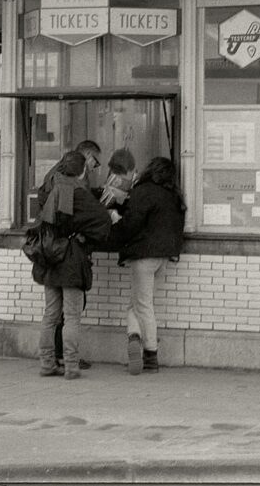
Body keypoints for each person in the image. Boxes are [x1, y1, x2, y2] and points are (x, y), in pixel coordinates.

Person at [33, 150, 111, 380]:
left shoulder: (49, 187)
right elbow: (102, 219)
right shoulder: (78, 193)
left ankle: (47, 363)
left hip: (49, 257)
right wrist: (84, 235)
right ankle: (71, 365)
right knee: (72, 316)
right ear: (82, 170)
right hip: (70, 259)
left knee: (50, 315)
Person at [108, 157, 186, 375]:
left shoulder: (144, 191)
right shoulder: (174, 195)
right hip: (164, 257)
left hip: (143, 255)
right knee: (140, 302)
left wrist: (115, 218)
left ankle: (150, 354)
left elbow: (131, 224)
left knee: (143, 305)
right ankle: (134, 337)